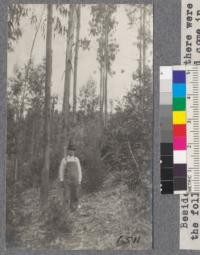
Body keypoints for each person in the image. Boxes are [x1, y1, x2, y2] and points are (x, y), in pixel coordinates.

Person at [58, 142, 82, 211]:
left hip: (75, 180)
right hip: (67, 180)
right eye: (70, 150)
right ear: (68, 151)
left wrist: (79, 180)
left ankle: (74, 208)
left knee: (75, 194)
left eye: (73, 150)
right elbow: (61, 170)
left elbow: (79, 170)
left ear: (74, 151)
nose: (71, 151)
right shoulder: (64, 160)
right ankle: (66, 209)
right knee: (66, 194)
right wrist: (61, 180)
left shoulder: (76, 159)